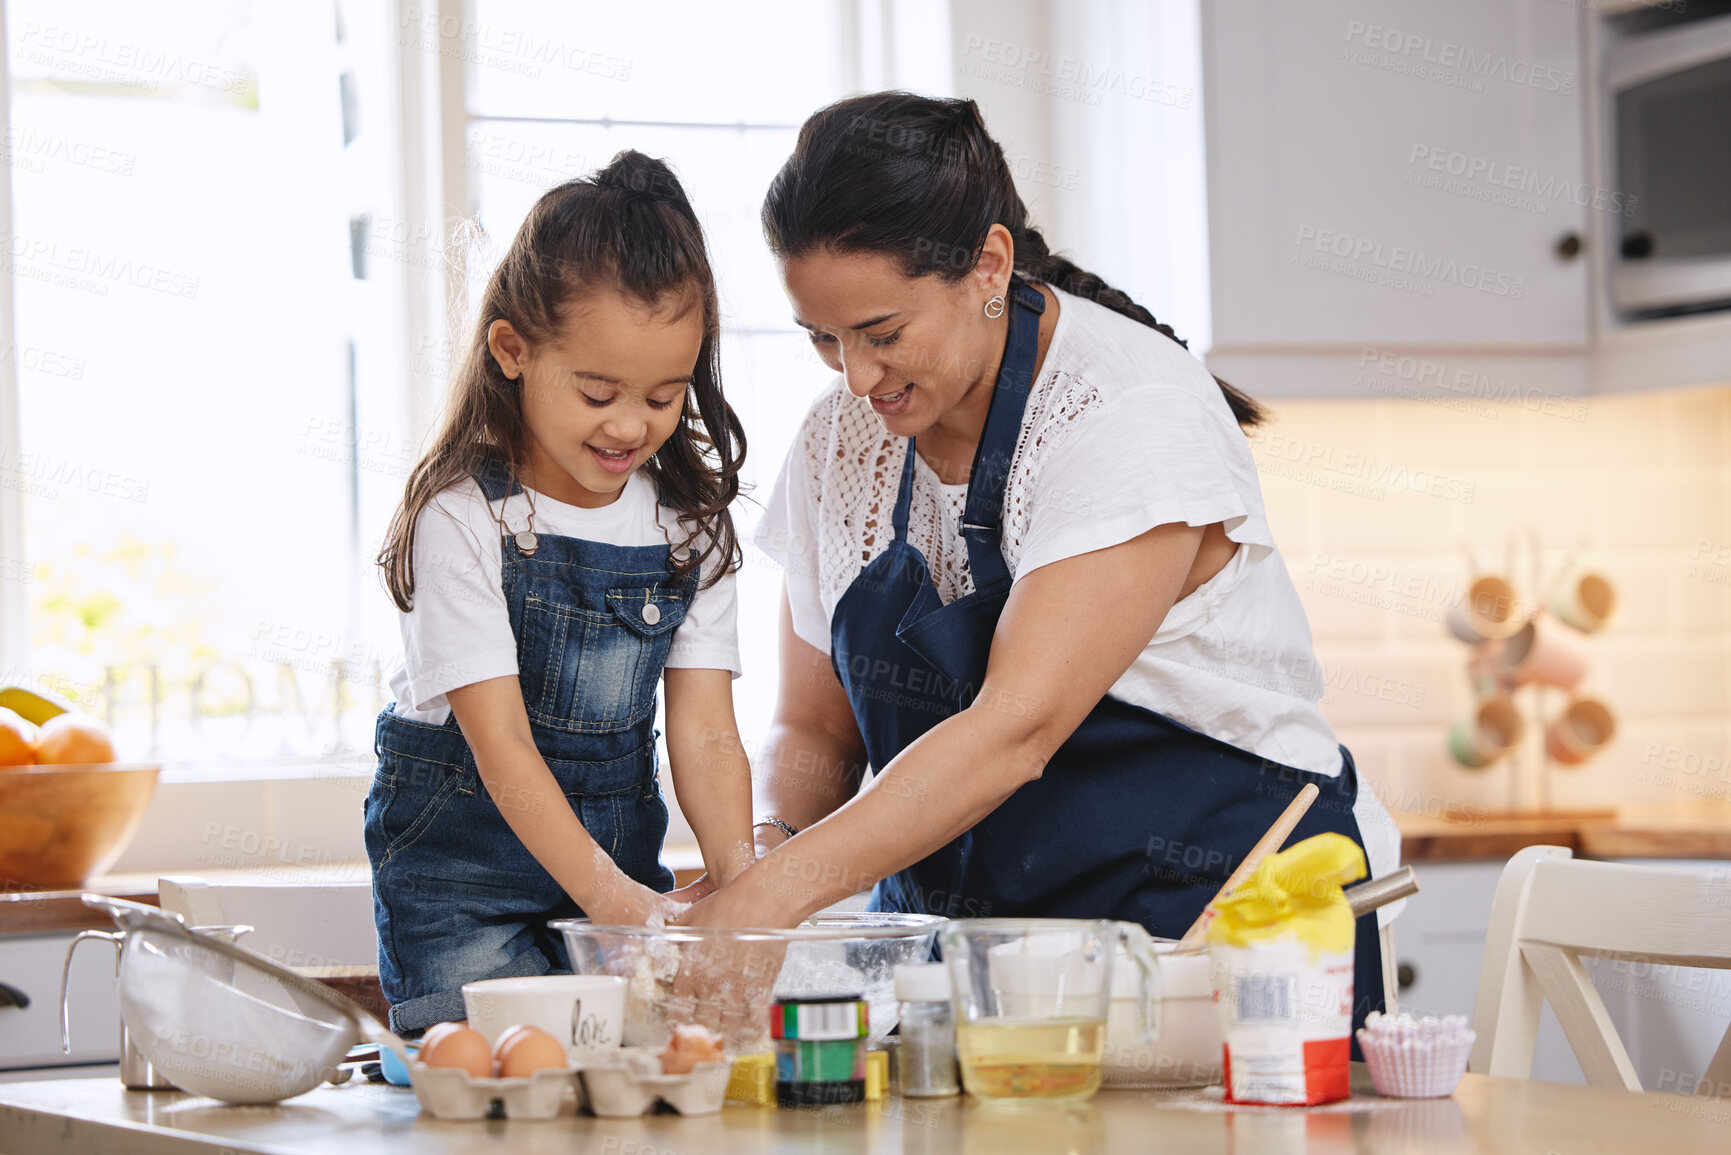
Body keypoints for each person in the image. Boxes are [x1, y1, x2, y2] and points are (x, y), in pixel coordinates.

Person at [681, 93, 1399, 1030]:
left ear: (986, 264)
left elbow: (1014, 731)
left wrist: (775, 898)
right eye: (823, 337)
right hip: (980, 974)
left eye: (883, 332)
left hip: (1217, 934)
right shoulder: (840, 440)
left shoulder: (1128, 409)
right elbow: (815, 732)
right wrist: (765, 851)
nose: (854, 377)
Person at [366, 151, 754, 1033]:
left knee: (629, 1080)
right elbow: (499, 743)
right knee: (510, 1077)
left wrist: (742, 893)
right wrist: (613, 901)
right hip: (463, 887)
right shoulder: (463, 521)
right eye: (596, 391)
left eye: (663, 395)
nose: (630, 425)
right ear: (513, 350)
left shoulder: (689, 527)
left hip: (615, 882)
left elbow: (704, 732)